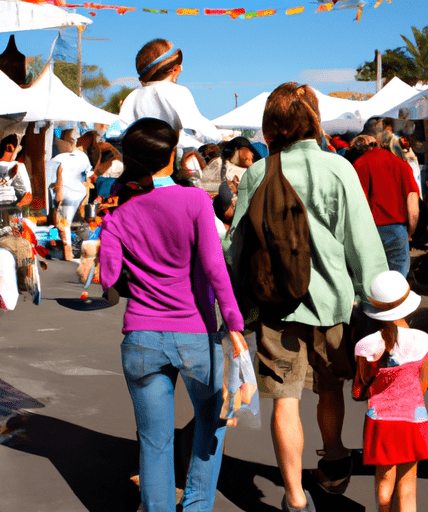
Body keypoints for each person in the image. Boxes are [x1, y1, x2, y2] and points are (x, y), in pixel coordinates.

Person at [231, 82, 388, 512]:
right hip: (332, 303)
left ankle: (295, 497)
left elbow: (236, 248)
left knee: (285, 399)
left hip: (276, 307)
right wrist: (385, 306)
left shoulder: (258, 173)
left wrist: (232, 309)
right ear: (313, 121)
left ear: (272, 125)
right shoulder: (339, 169)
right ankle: (334, 458)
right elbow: (363, 245)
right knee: (329, 386)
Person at [99, 117, 246, 512]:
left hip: (142, 336)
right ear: (170, 155)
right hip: (196, 332)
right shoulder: (195, 200)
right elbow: (216, 268)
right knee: (210, 422)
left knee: (153, 441)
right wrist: (234, 324)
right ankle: (197, 504)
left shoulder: (118, 216)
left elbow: (108, 277)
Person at [354, 270, 428, 512]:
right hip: (413, 417)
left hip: (381, 421)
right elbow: (423, 383)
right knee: (408, 486)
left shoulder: (366, 345)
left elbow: (361, 388)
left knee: (384, 484)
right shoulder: (424, 340)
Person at [118, 38, 222, 146]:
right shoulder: (177, 92)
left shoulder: (132, 96)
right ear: (175, 70)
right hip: (168, 158)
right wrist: (219, 140)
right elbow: (201, 130)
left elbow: (120, 130)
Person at [351, 134, 420, 278]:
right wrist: (410, 232)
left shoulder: (360, 164)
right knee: (397, 284)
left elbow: (357, 202)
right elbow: (412, 203)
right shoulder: (402, 165)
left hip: (371, 231)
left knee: (372, 283)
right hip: (397, 231)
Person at [0, 134, 32, 207]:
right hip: (8, 210)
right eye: (18, 149)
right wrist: (16, 208)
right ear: (10, 147)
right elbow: (27, 195)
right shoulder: (18, 166)